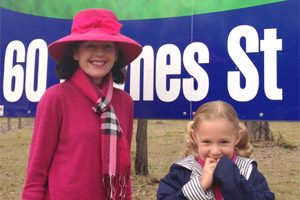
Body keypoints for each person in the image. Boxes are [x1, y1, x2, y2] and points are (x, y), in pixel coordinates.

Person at [22, 8, 142, 200]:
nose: (99, 53)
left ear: (117, 54)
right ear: (76, 52)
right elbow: (36, 174)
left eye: (107, 47)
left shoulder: (124, 102)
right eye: (90, 46)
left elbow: (124, 171)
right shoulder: (55, 98)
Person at [157, 100, 275, 200]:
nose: (215, 151)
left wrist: (231, 178)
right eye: (207, 142)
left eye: (224, 142)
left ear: (237, 138)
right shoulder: (182, 171)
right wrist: (199, 185)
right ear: (194, 137)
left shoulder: (248, 171)